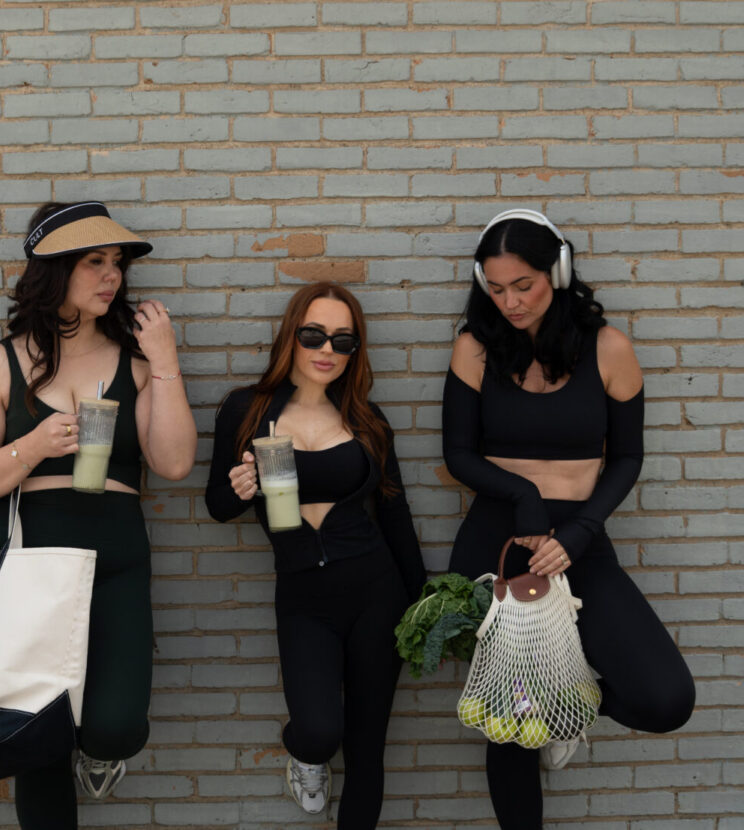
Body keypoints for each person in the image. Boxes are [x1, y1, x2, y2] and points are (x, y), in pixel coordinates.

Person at [0, 201, 196, 830]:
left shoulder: (136, 366)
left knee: (114, 727)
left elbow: (172, 463)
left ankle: (98, 751)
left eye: (116, 263)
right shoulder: (0, 363)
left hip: (112, 555)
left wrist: (164, 359)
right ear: (53, 270)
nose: (111, 275)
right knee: (35, 740)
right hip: (22, 558)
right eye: (94, 262)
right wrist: (33, 446)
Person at [443, 209, 695, 828]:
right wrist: (522, 494)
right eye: (496, 288)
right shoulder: (475, 346)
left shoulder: (609, 348)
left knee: (665, 698)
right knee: (509, 726)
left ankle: (563, 703)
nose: (511, 302)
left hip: (578, 543)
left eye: (523, 285)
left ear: (556, 271)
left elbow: (628, 456)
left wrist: (581, 531)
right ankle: (538, 714)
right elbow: (456, 454)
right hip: (496, 543)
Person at [206, 282, 426, 828]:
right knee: (320, 730)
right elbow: (216, 506)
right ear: (292, 338)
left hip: (377, 592)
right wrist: (238, 488)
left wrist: (424, 602)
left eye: (343, 341)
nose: (327, 350)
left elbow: (394, 513)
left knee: (366, 746)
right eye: (314, 335)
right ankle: (303, 755)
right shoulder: (247, 410)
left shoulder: (366, 420)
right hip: (304, 596)